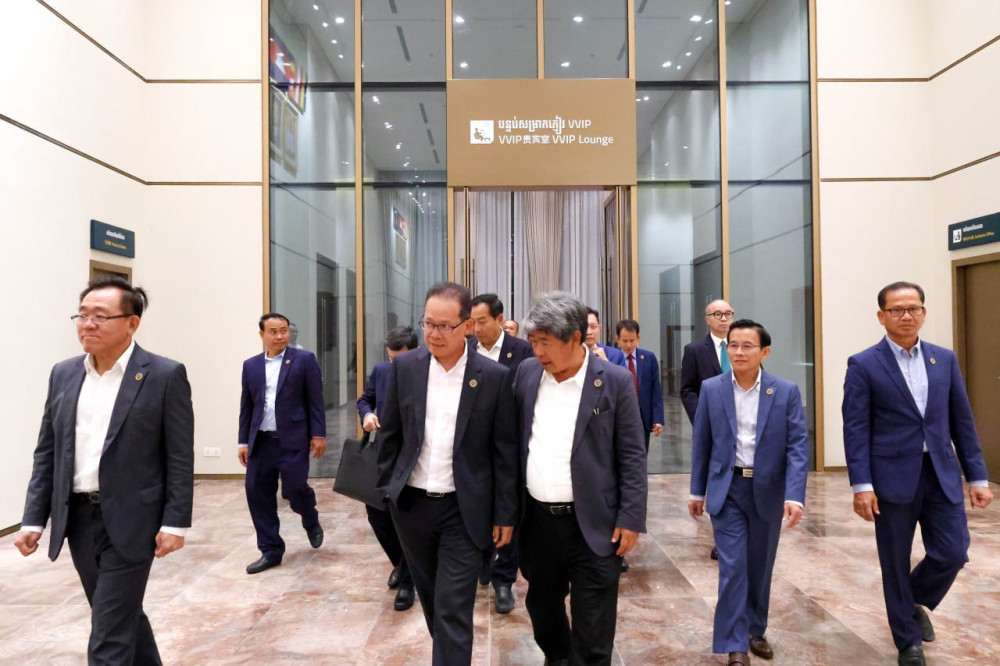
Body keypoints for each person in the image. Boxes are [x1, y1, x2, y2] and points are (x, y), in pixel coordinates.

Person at [15, 277, 194, 664]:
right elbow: (48, 452)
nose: (88, 324)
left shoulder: (164, 375)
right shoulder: (63, 374)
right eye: (82, 316)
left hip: (134, 519)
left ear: (132, 323)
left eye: (100, 316)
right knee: (118, 613)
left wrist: (175, 523)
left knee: (108, 635)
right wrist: (33, 519)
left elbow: (179, 456)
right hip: (79, 519)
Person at [842, 281, 992, 666]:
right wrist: (862, 484)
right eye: (897, 309)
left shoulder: (944, 359)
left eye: (914, 308)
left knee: (953, 552)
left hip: (940, 472)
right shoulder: (864, 364)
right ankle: (907, 642)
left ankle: (909, 601)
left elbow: (962, 420)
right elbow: (855, 428)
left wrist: (977, 476)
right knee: (894, 560)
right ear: (882, 316)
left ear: (924, 312)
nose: (906, 315)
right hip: (890, 478)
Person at [376, 282, 518, 666]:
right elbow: (390, 435)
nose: (434, 334)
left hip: (464, 510)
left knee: (454, 607)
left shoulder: (492, 377)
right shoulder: (406, 368)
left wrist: (505, 513)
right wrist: (389, 490)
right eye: (428, 324)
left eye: (444, 326)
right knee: (433, 602)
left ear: (467, 326)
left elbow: (504, 452)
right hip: (412, 507)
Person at [513, 292, 647, 666]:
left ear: (575, 338)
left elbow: (632, 454)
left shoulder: (614, 381)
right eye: (533, 342)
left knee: (594, 626)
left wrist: (631, 516)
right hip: (538, 523)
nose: (538, 351)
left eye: (545, 342)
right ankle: (558, 657)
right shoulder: (527, 373)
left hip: (595, 522)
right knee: (542, 608)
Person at [689, 319, 809, 666]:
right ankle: (735, 644)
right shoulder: (712, 389)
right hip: (727, 489)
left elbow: (798, 446)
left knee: (760, 565)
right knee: (732, 567)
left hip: (767, 490)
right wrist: (697, 491)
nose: (738, 352)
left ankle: (755, 629)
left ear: (764, 352)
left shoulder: (784, 391)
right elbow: (702, 443)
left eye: (747, 346)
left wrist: (794, 495)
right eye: (733, 345)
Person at [238, 313, 327, 574]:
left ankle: (310, 517)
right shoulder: (251, 366)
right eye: (274, 331)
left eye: (284, 331)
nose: (280, 336)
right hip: (261, 441)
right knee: (257, 493)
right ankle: (271, 550)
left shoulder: (304, 360)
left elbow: (315, 400)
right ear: (262, 335)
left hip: (293, 439)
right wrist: (243, 441)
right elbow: (247, 406)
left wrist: (318, 434)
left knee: (295, 489)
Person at [470, 293, 534, 613]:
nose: (476, 329)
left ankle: (504, 580)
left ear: (499, 319)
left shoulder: (522, 352)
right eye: (472, 323)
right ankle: (484, 557)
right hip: (474, 447)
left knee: (510, 511)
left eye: (482, 322)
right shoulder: (466, 350)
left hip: (511, 444)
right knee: (477, 507)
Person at [357, 326, 418, 611]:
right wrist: (367, 415)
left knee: (405, 518)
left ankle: (407, 582)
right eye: (391, 358)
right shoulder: (381, 371)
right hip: (383, 453)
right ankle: (403, 566)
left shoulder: (426, 373)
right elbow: (364, 399)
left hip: (412, 457)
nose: (395, 364)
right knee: (377, 515)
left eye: (400, 358)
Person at [681, 299, 735, 561]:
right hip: (713, 424)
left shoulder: (741, 346)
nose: (723, 318)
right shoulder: (694, 350)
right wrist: (702, 418)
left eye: (727, 314)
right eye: (718, 314)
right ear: (707, 319)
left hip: (741, 423)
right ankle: (721, 538)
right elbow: (687, 389)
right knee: (717, 477)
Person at [615, 318, 665, 450]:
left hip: (642, 417)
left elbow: (656, 391)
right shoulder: (611, 358)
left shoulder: (648, 358)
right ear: (617, 339)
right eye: (624, 341)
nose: (628, 345)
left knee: (641, 453)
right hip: (619, 417)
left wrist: (658, 419)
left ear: (638, 338)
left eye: (632, 340)